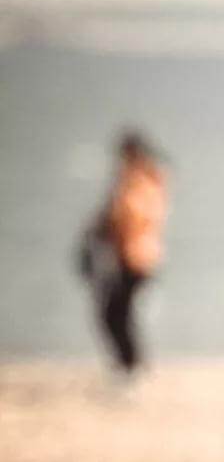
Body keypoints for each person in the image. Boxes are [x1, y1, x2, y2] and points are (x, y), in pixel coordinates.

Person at [78, 131, 169, 372]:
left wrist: (104, 226)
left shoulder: (141, 182)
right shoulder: (137, 180)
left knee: (117, 313)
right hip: (132, 256)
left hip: (135, 257)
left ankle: (131, 366)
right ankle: (129, 365)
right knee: (118, 313)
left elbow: (129, 218)